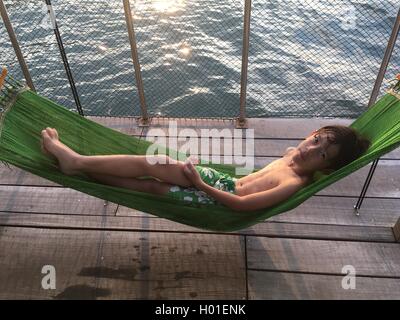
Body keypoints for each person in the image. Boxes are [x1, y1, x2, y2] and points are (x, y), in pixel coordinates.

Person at [40, 125, 370, 212]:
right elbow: (290, 155)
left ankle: (76, 164)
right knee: (153, 164)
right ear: (311, 135)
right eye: (317, 140)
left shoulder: (294, 182)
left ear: (325, 169)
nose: (312, 150)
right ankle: (77, 165)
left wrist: (198, 182)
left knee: (152, 182)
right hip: (221, 181)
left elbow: (241, 204)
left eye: (323, 155)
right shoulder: (290, 158)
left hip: (216, 196)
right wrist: (204, 176)